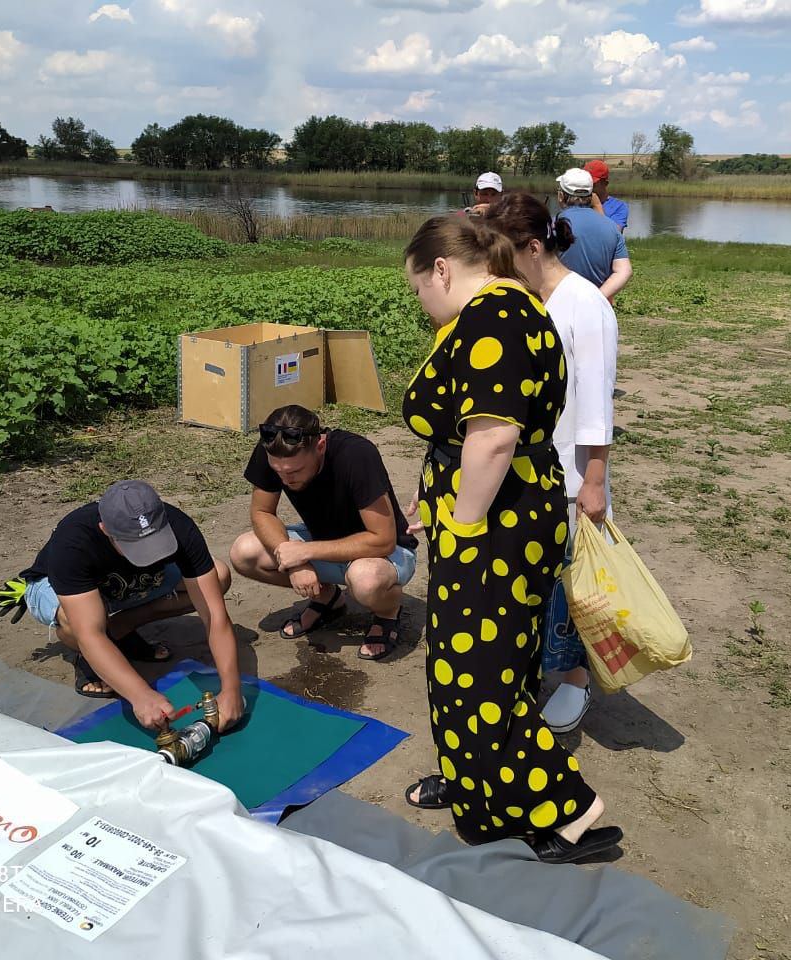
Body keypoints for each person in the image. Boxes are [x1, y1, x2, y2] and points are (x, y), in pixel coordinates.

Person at [400, 214, 621, 864]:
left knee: (479, 678)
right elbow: (468, 434)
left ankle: (570, 813)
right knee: (481, 668)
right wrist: (436, 497)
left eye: (419, 289)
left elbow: (494, 437)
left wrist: (463, 527)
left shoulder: (494, 316)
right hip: (503, 518)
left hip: (495, 529)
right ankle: (480, 788)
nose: (422, 303)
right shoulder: (517, 309)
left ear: (441, 268)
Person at [484, 192, 618, 733]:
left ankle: (574, 679)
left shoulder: (585, 305)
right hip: (527, 466)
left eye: (502, 256)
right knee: (532, 578)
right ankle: (538, 666)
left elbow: (597, 401)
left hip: (569, 471)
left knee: (566, 581)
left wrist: (595, 480)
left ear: (534, 247)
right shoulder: (526, 300)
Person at [14, 480, 241, 731]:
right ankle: (93, 658)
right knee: (74, 623)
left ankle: (124, 625)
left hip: (128, 584)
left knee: (217, 577)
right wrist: (141, 696)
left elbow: (214, 615)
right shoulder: (73, 542)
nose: (151, 553)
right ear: (105, 530)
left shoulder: (179, 525)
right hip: (59, 589)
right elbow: (89, 634)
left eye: (156, 541)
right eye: (136, 546)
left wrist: (231, 689)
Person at [229, 405, 417, 661]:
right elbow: (262, 512)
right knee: (244, 553)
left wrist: (304, 552)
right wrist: (295, 563)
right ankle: (327, 598)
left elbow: (382, 540)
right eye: (278, 472)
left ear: (320, 446)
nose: (285, 480)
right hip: (322, 540)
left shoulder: (357, 454)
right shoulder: (273, 451)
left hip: (385, 552)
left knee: (365, 580)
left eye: (294, 472)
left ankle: (387, 612)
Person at [555, 167, 632, 304]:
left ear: (561, 196)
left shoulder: (554, 226)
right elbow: (624, 271)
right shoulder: (611, 228)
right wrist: (597, 298)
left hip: (560, 304)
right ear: (591, 196)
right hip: (600, 309)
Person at [583, 160, 629, 232]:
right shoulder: (579, 203)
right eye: (585, 184)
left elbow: (615, 234)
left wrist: (597, 205)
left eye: (593, 184)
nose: (588, 188)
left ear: (605, 183)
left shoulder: (619, 207)